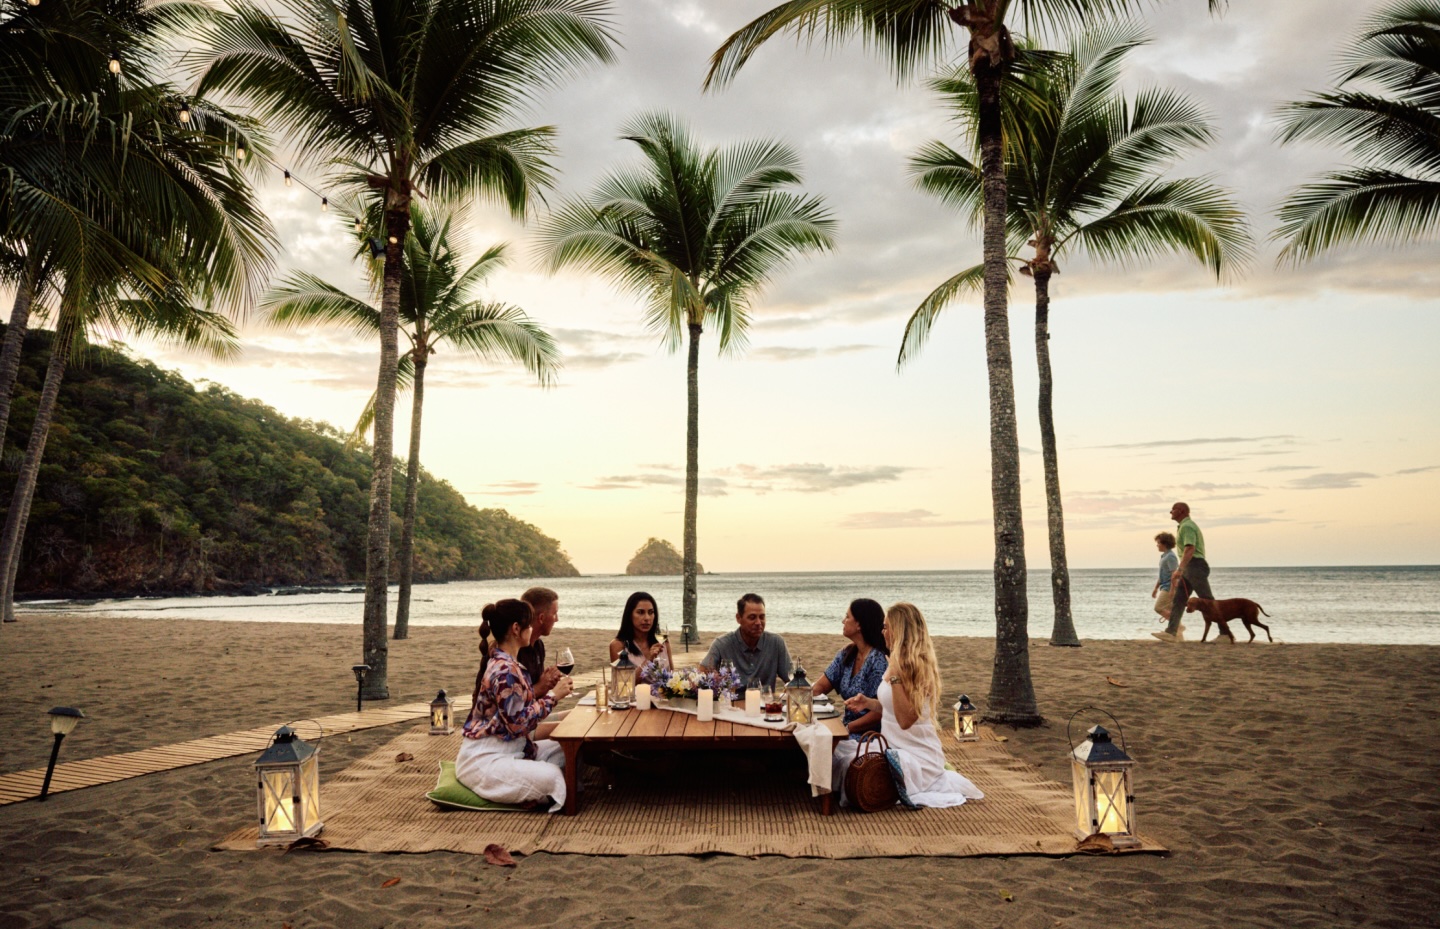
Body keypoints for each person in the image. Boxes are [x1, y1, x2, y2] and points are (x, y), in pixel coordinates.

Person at [834, 603, 983, 809]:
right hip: (892, 744)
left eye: (886, 627)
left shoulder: (917, 667)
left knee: (861, 773)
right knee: (842, 756)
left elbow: (905, 720)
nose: (882, 632)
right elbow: (893, 708)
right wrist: (868, 703)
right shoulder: (894, 660)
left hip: (916, 755)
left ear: (899, 631)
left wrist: (895, 675)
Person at [456, 598, 573, 810]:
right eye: (528, 625)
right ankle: (530, 794)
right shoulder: (505, 671)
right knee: (553, 777)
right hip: (486, 758)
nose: (531, 629)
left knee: (568, 750)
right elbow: (517, 724)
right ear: (517, 629)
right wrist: (553, 697)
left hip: (513, 749)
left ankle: (527, 791)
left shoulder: (510, 664)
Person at [813, 598, 888, 739]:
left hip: (868, 736)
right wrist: (796, 697)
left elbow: (880, 712)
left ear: (859, 625)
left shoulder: (878, 660)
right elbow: (820, 687)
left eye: (847, 616)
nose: (843, 621)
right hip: (846, 728)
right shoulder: (847, 653)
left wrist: (846, 729)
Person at [1155, 502, 1218, 643]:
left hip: (1195, 565)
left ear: (1181, 511)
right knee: (1178, 600)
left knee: (1207, 600)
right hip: (1190, 567)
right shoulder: (1183, 526)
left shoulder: (1187, 526)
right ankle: (1171, 632)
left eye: (1173, 510)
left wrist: (1180, 569)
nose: (1170, 512)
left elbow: (1190, 549)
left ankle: (1225, 633)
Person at [699, 593, 792, 688]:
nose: (758, 622)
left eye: (762, 617)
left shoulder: (776, 643)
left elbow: (792, 679)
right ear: (738, 618)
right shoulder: (722, 645)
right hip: (731, 701)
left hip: (763, 701)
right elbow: (702, 674)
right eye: (752, 617)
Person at [608, 591, 673, 669]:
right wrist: (648, 660)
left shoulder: (663, 642)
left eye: (651, 612)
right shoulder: (619, 645)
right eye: (640, 612)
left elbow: (671, 674)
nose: (647, 618)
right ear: (630, 615)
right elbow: (623, 679)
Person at [1150, 533, 1185, 640]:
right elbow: (1162, 574)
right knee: (1172, 612)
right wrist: (1156, 588)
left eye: (1158, 543)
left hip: (1169, 587)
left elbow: (1175, 574)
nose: (1157, 545)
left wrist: (1172, 590)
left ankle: (1178, 627)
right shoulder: (1164, 556)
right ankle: (1178, 637)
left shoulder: (1171, 557)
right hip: (1164, 586)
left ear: (1164, 543)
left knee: (1159, 608)